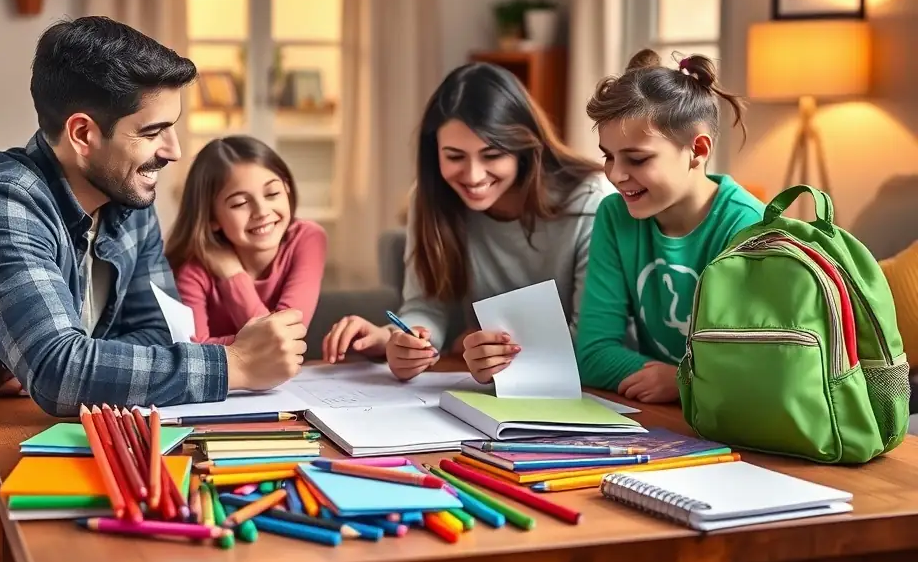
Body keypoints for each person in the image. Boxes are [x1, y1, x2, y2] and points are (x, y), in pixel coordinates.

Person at [0, 17, 307, 562]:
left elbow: (154, 336)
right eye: (155, 130)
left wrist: (77, 366)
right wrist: (234, 366)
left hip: (35, 422)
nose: (174, 150)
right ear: (83, 133)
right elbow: (64, 374)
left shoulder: (129, 199)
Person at [322, 62, 612, 383]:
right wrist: (411, 340)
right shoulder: (429, 198)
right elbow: (427, 307)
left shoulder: (591, 200)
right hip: (478, 381)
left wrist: (493, 352)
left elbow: (593, 338)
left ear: (524, 148)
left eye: (491, 155)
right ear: (436, 154)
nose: (473, 176)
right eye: (455, 156)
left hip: (583, 385)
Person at [575, 49, 765, 403]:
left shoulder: (750, 228)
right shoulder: (615, 217)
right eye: (608, 156)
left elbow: (758, 370)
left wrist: (683, 381)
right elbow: (593, 354)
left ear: (698, 150)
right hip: (662, 418)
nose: (615, 175)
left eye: (637, 158)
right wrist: (688, 381)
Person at [166, 135, 327, 341]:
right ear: (211, 217)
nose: (261, 211)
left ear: (287, 189)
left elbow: (286, 339)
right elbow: (196, 355)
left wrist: (232, 275)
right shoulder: (194, 268)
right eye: (240, 203)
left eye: (272, 193)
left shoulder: (308, 238)